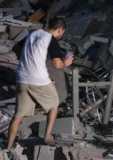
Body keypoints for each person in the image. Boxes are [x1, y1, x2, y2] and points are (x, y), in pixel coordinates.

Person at [7, 17, 72, 149]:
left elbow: (16, 49)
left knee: (18, 115)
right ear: (60, 30)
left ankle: (8, 147)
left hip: (22, 78)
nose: (61, 35)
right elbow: (57, 64)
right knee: (54, 104)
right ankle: (48, 135)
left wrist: (30, 58)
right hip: (38, 80)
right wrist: (67, 62)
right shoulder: (51, 40)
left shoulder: (33, 34)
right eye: (62, 32)